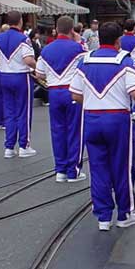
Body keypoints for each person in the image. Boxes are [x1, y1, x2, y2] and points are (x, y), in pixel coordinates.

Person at [70, 22, 135, 231]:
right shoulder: (124, 61)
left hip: (91, 118)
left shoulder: (84, 61)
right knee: (122, 166)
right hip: (117, 118)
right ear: (117, 40)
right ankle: (124, 214)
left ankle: (103, 216)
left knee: (98, 167)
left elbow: (76, 95)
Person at [36, 16, 87, 183]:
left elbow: (39, 74)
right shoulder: (78, 48)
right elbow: (87, 66)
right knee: (75, 130)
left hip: (54, 92)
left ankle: (60, 170)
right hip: (72, 91)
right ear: (72, 30)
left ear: (56, 29)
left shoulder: (46, 50)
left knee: (57, 130)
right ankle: (73, 171)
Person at [0, 11, 37, 158]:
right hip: (21, 76)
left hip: (4, 75)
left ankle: (9, 147)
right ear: (20, 21)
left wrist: (4, 64)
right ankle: (24, 145)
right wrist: (38, 68)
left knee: (9, 112)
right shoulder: (23, 38)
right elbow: (28, 60)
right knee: (24, 111)